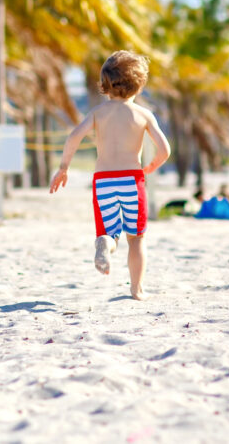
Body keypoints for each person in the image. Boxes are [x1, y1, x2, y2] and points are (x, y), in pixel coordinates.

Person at [50, 51, 170, 300]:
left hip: (103, 181)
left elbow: (74, 137)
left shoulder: (97, 113)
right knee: (136, 238)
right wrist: (151, 166)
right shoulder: (143, 115)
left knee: (109, 231)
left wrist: (64, 168)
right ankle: (136, 289)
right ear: (139, 84)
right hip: (131, 180)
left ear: (105, 85)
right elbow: (165, 150)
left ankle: (104, 242)